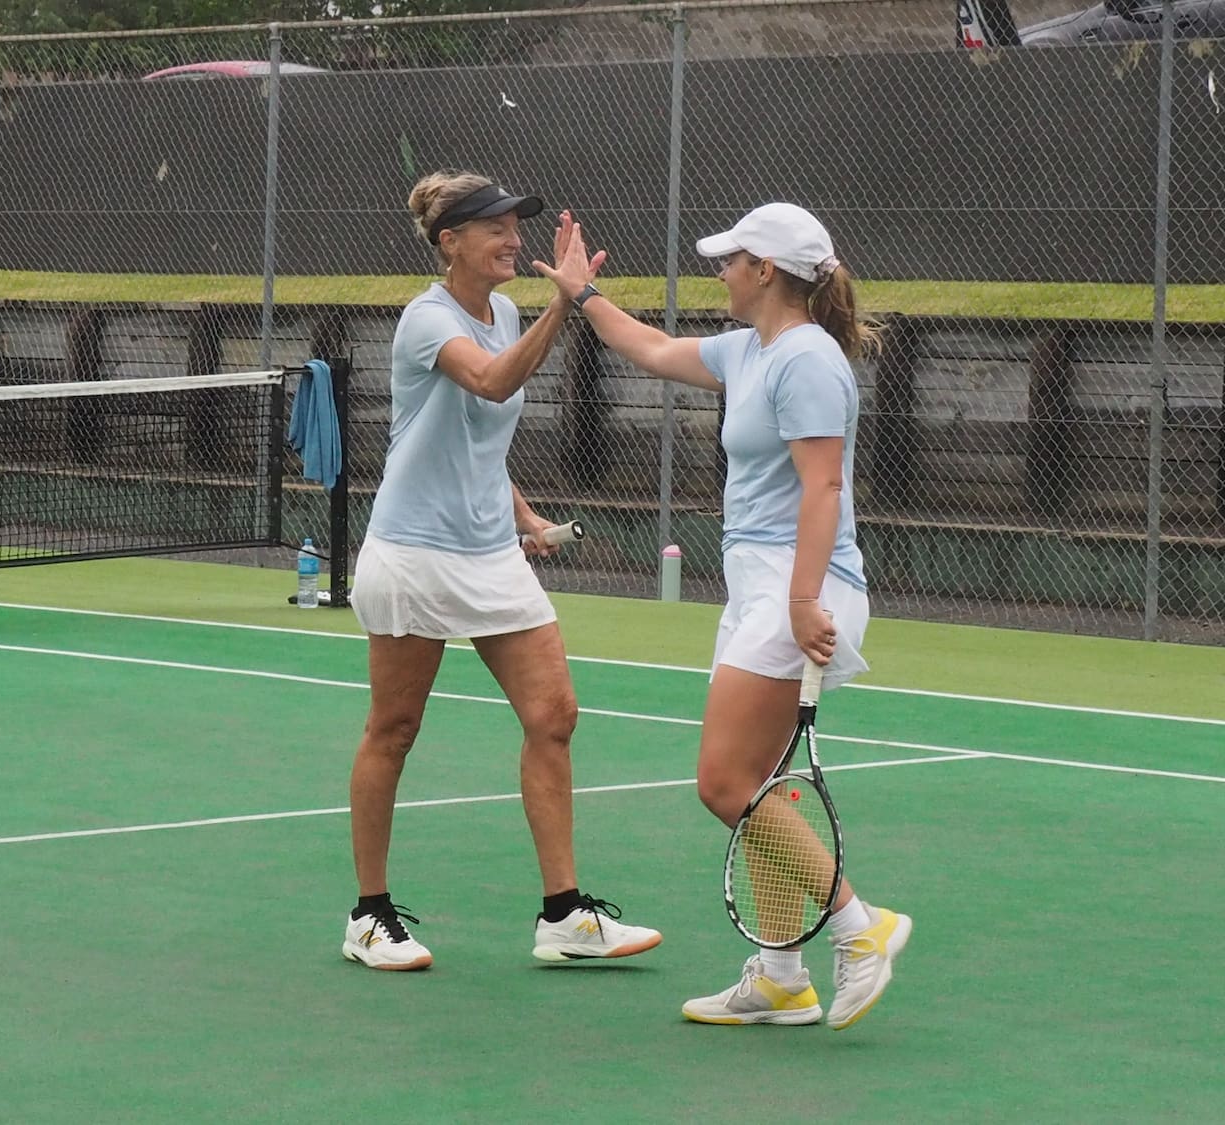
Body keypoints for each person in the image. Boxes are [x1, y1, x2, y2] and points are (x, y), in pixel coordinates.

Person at [534, 202, 910, 1029]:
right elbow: (655, 348)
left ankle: (862, 926)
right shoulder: (751, 350)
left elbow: (825, 487)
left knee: (724, 782)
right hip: (760, 583)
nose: (720, 271)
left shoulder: (807, 360)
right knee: (765, 787)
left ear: (766, 271)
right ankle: (781, 975)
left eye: (731, 259)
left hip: (796, 584)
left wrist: (804, 599)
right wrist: (582, 295)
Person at [341, 170, 661, 971]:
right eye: (496, 228)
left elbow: (481, 439)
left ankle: (564, 915)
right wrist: (569, 300)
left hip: (491, 554)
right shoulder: (426, 320)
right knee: (396, 728)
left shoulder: (508, 310)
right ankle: (370, 915)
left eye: (517, 225)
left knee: (554, 712)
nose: (514, 238)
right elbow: (489, 382)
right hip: (413, 553)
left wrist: (526, 520)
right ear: (451, 242)